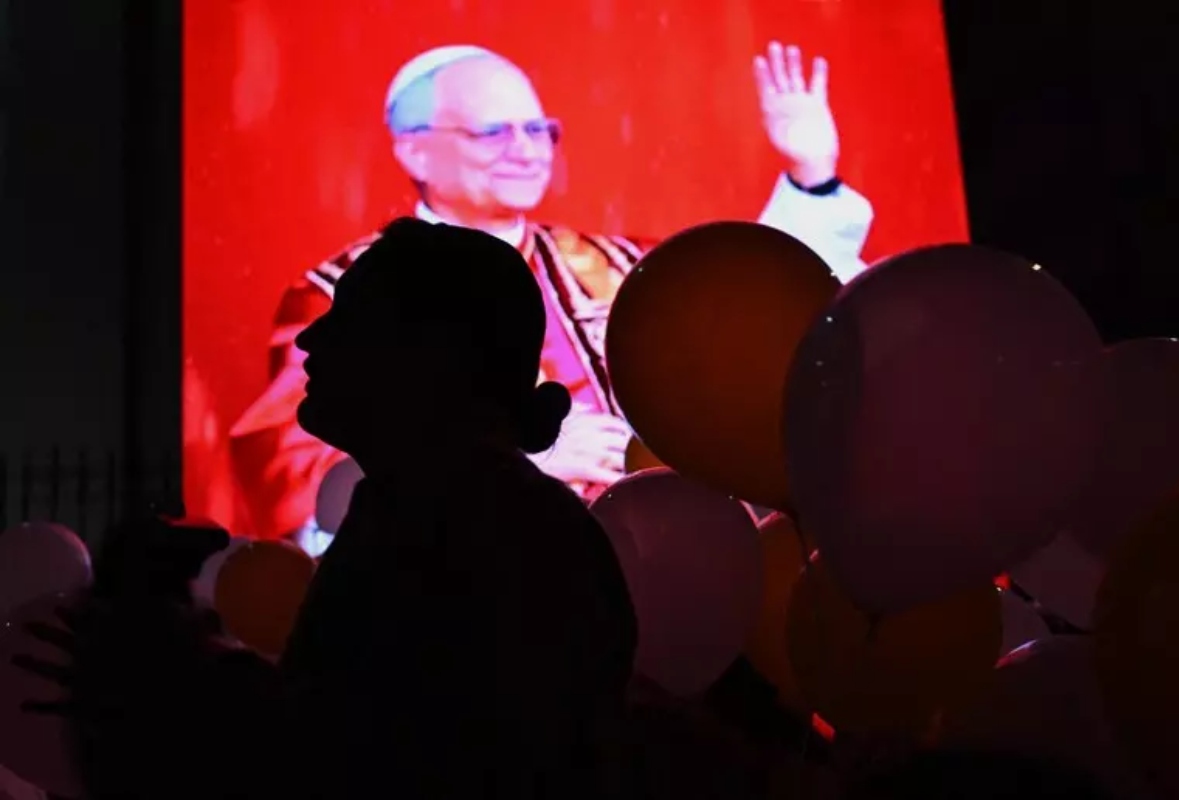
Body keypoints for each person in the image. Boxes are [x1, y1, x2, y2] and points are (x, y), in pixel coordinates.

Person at [17, 221, 639, 799]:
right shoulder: (445, 508)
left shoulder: (473, 526)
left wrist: (164, 664)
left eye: (351, 318)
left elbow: (365, 755)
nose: (312, 339)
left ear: (427, 358)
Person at [229, 41, 876, 543]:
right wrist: (513, 462)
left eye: (538, 129)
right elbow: (298, 486)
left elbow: (750, 305)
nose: (526, 150)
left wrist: (810, 177)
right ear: (414, 152)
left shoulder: (606, 263)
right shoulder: (347, 293)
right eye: (493, 132)